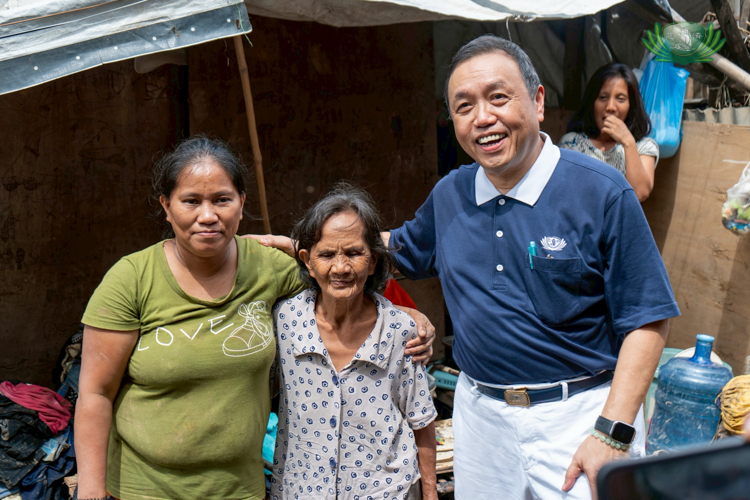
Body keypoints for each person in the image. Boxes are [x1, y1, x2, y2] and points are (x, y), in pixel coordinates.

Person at [251, 35, 680, 500]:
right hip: (483, 416)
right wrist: (313, 247)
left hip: (577, 414)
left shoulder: (601, 191)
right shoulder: (452, 194)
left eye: (498, 97)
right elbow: (392, 249)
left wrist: (611, 433)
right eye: (464, 106)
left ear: (537, 102)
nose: (483, 118)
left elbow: (648, 319)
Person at [74, 137, 435, 500]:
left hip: (240, 488)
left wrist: (403, 314)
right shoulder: (132, 279)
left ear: (242, 204)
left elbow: (339, 282)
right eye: (191, 201)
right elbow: (94, 393)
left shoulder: (268, 267)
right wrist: (91, 493)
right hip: (146, 488)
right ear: (166, 206)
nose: (207, 215)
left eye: (222, 199)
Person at [269, 184, 437, 500]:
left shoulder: (400, 330)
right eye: (327, 254)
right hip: (301, 490)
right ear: (307, 260)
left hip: (385, 491)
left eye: (354, 253)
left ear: (373, 261)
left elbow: (421, 419)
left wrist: (430, 493)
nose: (341, 267)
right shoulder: (285, 321)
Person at [558, 63, 658, 202]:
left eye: (621, 99)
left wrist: (628, 142)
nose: (610, 107)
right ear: (592, 103)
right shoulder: (572, 143)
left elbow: (640, 194)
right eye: (603, 97)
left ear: (632, 105)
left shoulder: (644, 147)